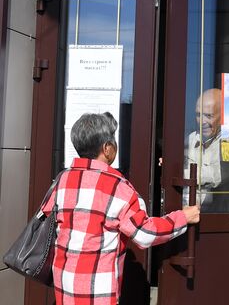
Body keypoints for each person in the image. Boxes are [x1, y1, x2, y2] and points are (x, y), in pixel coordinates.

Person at [41, 112, 200, 305]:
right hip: (98, 291)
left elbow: (47, 219)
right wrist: (182, 217)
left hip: (64, 282)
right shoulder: (117, 186)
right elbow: (144, 234)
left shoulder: (62, 180)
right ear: (107, 148)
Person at [187, 88, 229, 212]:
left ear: (223, 116)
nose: (202, 122)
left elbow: (217, 174)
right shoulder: (192, 139)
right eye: (199, 115)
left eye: (208, 116)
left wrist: (179, 171)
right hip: (198, 214)